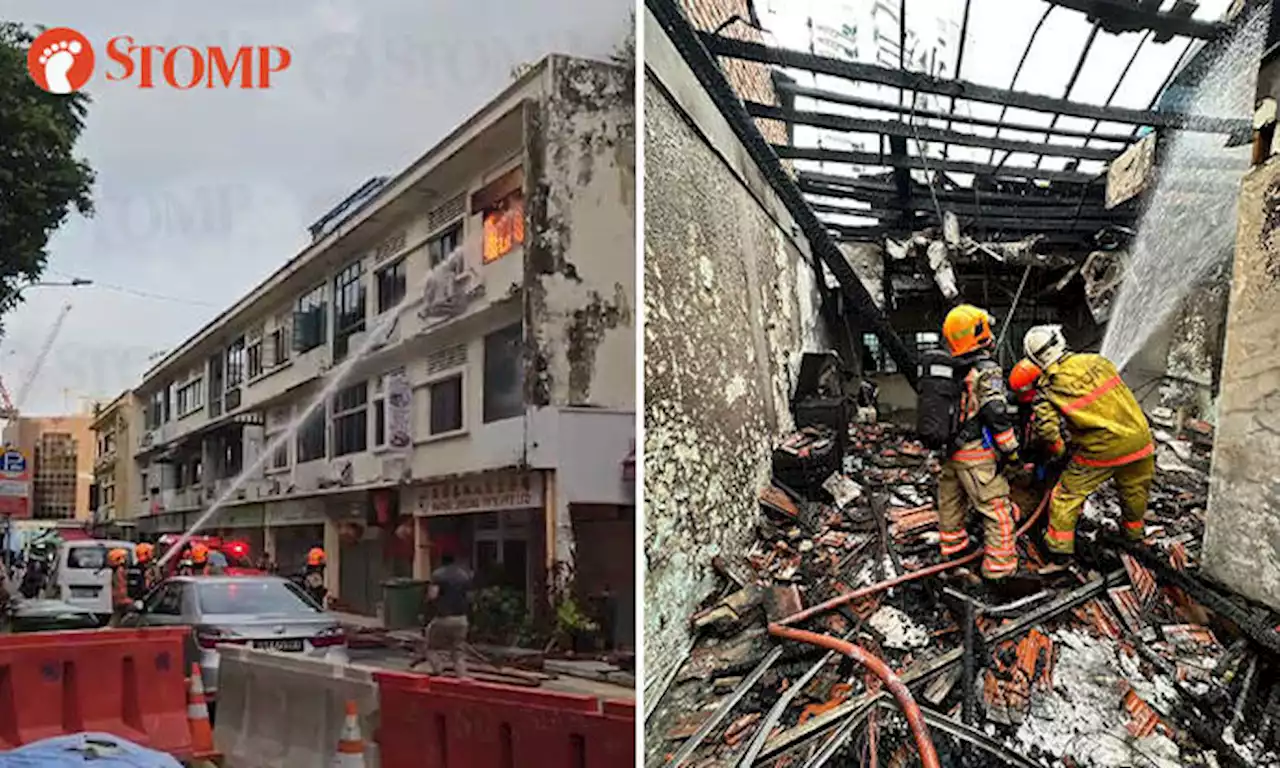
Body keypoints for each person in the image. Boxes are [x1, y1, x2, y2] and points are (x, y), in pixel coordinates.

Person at [1022, 325, 1155, 560]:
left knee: (1066, 495)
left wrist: (1060, 453)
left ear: (1034, 359)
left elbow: (1048, 432)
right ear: (1060, 341)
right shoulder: (1098, 362)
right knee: (1134, 490)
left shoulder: (1048, 387)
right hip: (1140, 440)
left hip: (1103, 448)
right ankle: (1134, 537)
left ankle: (1059, 555)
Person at [935, 304, 1026, 583]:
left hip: (951, 452)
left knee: (951, 502)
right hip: (975, 454)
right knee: (996, 509)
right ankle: (999, 570)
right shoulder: (986, 370)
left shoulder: (948, 368)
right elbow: (995, 412)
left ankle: (952, 551)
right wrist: (1011, 451)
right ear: (979, 332)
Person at [413, 553, 473, 677]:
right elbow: (470, 597)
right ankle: (462, 677)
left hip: (443, 618)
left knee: (429, 647)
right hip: (461, 619)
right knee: (458, 653)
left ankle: (439, 671)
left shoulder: (438, 575)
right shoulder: (464, 575)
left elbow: (432, 595)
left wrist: (425, 611)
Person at [108, 548, 133, 626]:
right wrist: (127, 600)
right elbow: (121, 587)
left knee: (117, 617)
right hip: (121, 600)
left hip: (117, 599)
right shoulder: (120, 571)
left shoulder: (115, 571)